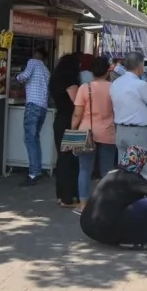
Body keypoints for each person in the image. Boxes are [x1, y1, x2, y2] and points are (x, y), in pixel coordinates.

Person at [79, 145, 147, 250]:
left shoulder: (110, 173)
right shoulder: (132, 177)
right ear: (140, 162)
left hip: (87, 227)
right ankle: (130, 240)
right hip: (105, 230)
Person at [72, 56, 117, 215]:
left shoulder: (85, 88)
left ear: (92, 72)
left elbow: (77, 114)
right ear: (107, 71)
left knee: (84, 170)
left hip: (86, 133)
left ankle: (83, 204)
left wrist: (73, 129)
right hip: (108, 133)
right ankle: (103, 205)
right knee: (106, 171)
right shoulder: (114, 88)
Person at [111, 52, 147, 182]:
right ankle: (141, 200)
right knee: (143, 171)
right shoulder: (141, 85)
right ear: (140, 66)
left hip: (120, 130)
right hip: (138, 132)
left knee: (124, 170)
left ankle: (125, 199)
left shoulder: (115, 83)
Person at [49, 53, 81, 208]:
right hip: (71, 122)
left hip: (60, 120)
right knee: (71, 159)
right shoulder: (70, 81)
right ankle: (68, 198)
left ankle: (61, 195)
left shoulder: (55, 79)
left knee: (62, 159)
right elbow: (77, 102)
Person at [16, 48, 51, 186]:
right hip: (42, 107)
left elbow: (24, 76)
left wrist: (16, 77)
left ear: (37, 55)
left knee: (30, 139)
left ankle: (33, 173)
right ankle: (37, 169)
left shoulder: (33, 62)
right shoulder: (47, 71)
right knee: (35, 138)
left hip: (33, 106)